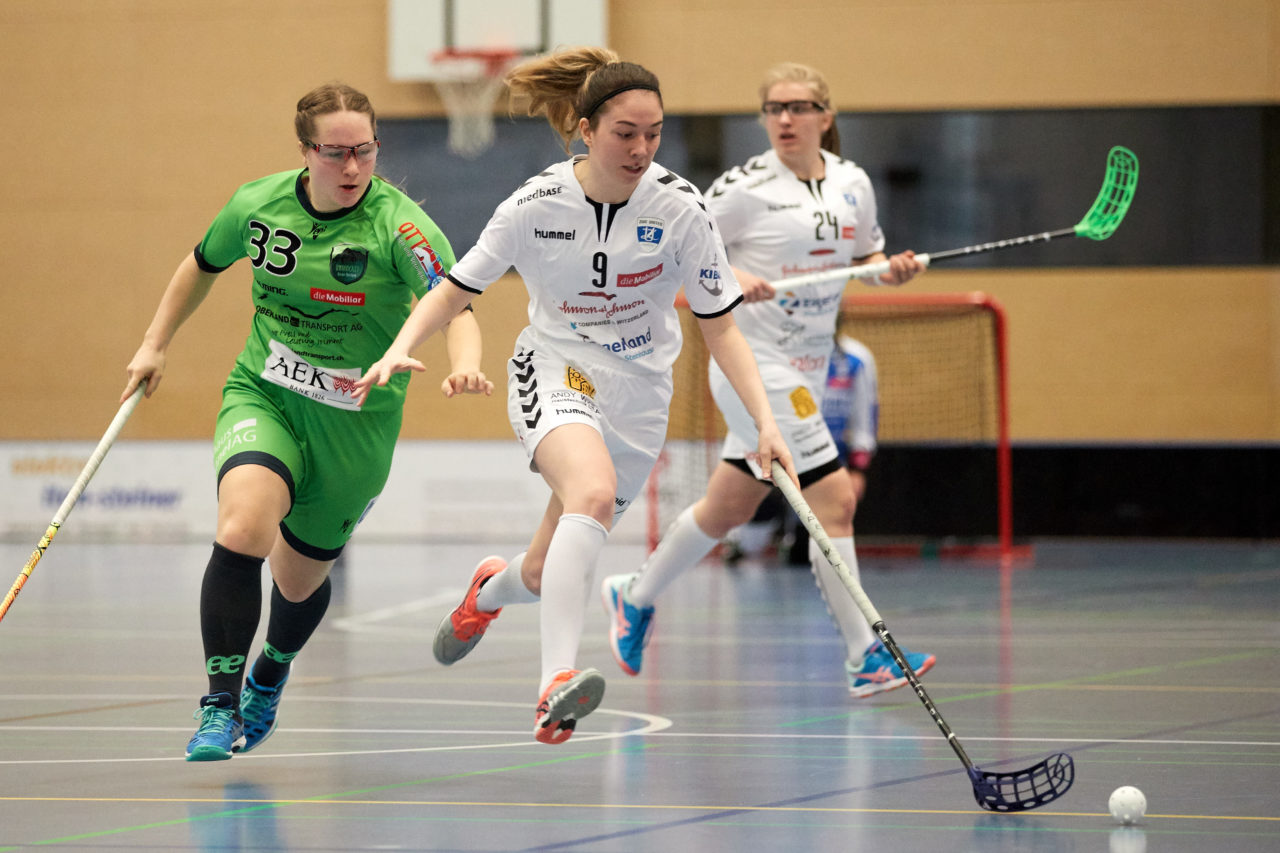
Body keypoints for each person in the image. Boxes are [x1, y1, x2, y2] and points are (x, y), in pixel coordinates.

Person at [354, 47, 796, 744]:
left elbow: (724, 330)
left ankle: (487, 592)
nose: (642, 148)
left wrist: (766, 423)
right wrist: (399, 344)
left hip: (640, 393)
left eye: (653, 133)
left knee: (539, 568)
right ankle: (554, 683)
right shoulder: (533, 205)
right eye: (626, 133)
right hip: (556, 368)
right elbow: (453, 289)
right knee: (589, 494)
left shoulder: (682, 210)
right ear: (586, 130)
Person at [121, 82, 492, 761]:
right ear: (305, 151)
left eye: (365, 151)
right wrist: (155, 342)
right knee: (242, 525)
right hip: (266, 393)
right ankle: (218, 703)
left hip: (354, 425)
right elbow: (200, 264)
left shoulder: (401, 227)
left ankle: (271, 671)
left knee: (298, 582)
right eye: (336, 153)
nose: (352, 168)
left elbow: (456, 308)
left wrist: (463, 364)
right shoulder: (256, 204)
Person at [599, 62, 936, 698]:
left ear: (825, 118)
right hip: (754, 366)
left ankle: (634, 594)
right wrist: (726, 279)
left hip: (810, 360)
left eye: (800, 107)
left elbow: (862, 257)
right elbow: (675, 254)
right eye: (775, 108)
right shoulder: (741, 189)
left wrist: (885, 269)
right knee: (834, 499)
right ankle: (866, 656)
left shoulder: (854, 185)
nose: (786, 118)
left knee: (732, 504)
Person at [726, 331, 879, 564]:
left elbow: (864, 419)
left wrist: (858, 470)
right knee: (752, 532)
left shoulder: (856, 358)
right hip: (780, 450)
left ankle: (796, 539)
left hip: (826, 456)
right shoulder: (782, 352)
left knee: (809, 552)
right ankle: (745, 540)